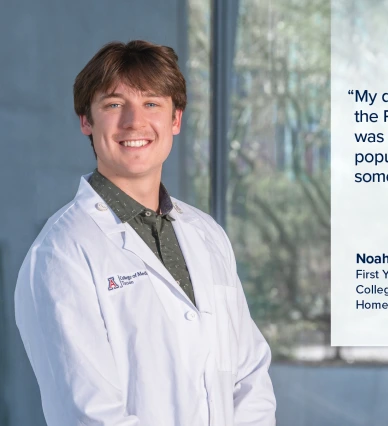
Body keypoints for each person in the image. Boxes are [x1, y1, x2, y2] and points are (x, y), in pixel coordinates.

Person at [14, 40, 276, 426]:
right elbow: (88, 414)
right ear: (86, 120)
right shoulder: (61, 253)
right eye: (114, 105)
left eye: (152, 103)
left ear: (175, 119)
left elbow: (249, 376)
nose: (134, 122)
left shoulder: (206, 234)